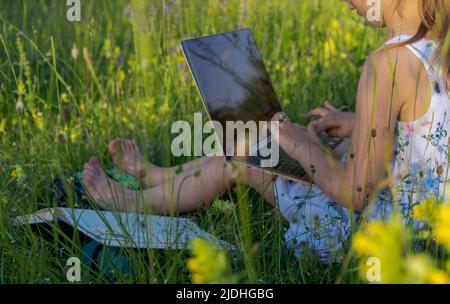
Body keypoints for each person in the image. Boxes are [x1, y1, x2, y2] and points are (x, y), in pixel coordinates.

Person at [82, 0, 450, 259]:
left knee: (243, 158)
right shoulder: (437, 47)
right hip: (428, 222)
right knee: (259, 146)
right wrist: (359, 122)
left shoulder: (385, 64)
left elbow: (354, 193)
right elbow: (426, 129)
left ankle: (130, 202)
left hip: (377, 235)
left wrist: (304, 144)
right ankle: (157, 176)